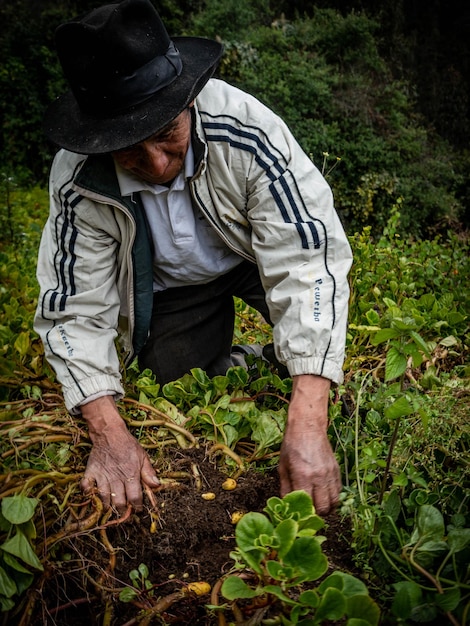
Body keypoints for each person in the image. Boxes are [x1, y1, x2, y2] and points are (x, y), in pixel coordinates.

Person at [35, 0, 353, 517]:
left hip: (250, 256)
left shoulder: (246, 130)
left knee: (321, 324)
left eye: (166, 137)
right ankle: (253, 357)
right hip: (171, 286)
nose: (156, 165)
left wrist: (308, 423)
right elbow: (73, 307)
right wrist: (107, 431)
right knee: (175, 382)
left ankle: (299, 365)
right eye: (130, 152)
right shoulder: (78, 179)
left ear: (188, 104)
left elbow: (307, 260)